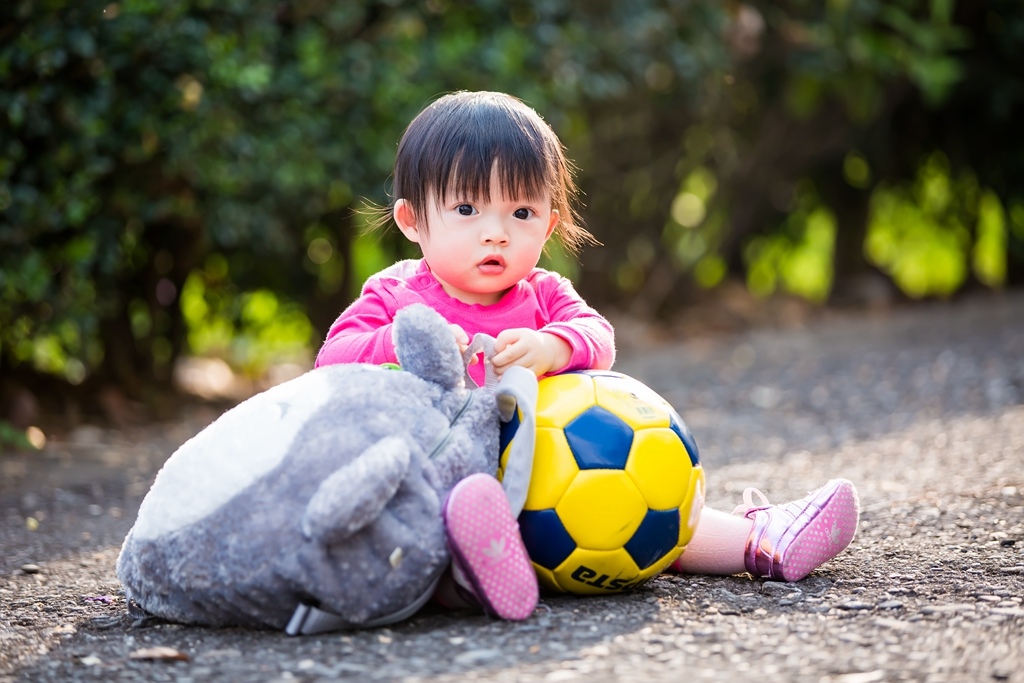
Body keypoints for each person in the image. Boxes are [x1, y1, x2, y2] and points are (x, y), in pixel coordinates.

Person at [315, 90, 860, 621]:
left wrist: (552, 345)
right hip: (443, 479)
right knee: (409, 530)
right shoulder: (395, 296)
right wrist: (405, 342)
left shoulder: (544, 293)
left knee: (652, 510)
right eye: (466, 208)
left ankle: (760, 541)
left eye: (522, 211)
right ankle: (464, 579)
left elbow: (598, 336)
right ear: (413, 221)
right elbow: (331, 361)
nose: (497, 234)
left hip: (550, 484)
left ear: (549, 223)